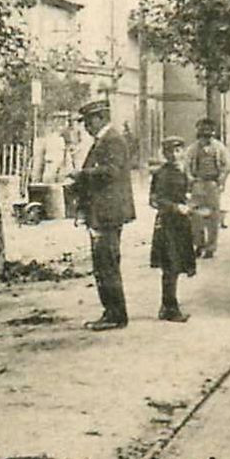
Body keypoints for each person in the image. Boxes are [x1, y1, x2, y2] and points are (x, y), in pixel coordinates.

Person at [70, 96, 135, 331]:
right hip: (102, 211)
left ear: (100, 118)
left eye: (89, 121)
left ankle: (115, 315)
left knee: (106, 263)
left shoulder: (113, 140)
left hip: (108, 213)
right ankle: (111, 311)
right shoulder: (103, 140)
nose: (86, 126)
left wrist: (83, 175)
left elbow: (112, 171)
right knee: (103, 263)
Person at [148, 136, 196, 322]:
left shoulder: (183, 171)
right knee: (170, 266)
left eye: (177, 151)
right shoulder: (162, 174)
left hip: (181, 224)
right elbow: (155, 200)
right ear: (165, 154)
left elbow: (187, 192)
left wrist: (190, 202)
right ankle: (169, 307)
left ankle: (168, 306)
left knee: (176, 265)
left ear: (183, 152)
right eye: (170, 151)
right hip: (168, 224)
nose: (174, 155)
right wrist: (176, 207)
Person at [183, 118, 230, 259]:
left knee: (213, 218)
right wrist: (191, 179)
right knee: (195, 217)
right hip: (198, 184)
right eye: (202, 131)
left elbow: (226, 165)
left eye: (208, 131)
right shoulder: (193, 148)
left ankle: (211, 247)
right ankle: (199, 244)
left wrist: (221, 180)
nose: (205, 134)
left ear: (212, 132)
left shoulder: (219, 147)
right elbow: (186, 165)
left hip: (212, 185)